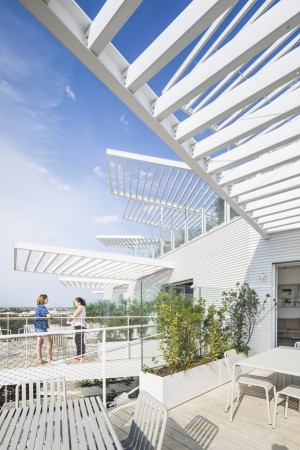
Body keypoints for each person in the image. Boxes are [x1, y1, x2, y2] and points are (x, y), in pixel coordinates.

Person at [34, 294, 53, 364]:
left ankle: (40, 360)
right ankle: (49, 359)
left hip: (37, 328)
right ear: (43, 299)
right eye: (47, 299)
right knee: (49, 342)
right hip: (42, 328)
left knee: (39, 344)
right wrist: (51, 316)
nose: (48, 300)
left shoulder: (37, 307)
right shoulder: (43, 307)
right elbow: (48, 316)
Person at [69, 297, 87, 362]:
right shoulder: (82, 307)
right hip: (80, 325)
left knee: (78, 340)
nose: (74, 303)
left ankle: (80, 356)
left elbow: (74, 315)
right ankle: (80, 355)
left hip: (80, 326)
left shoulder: (80, 307)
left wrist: (70, 318)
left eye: (75, 302)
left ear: (79, 302)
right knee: (79, 340)